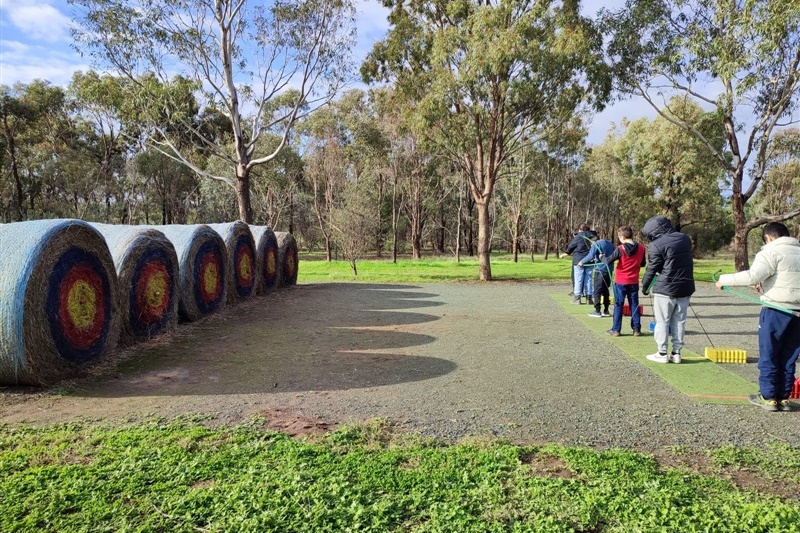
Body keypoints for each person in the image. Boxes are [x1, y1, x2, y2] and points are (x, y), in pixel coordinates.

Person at [715, 222, 800, 412]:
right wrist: (765, 286)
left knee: (770, 354)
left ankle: (769, 397)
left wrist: (724, 280)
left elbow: (753, 276)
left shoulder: (771, 251)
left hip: (775, 311)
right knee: (788, 357)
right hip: (798, 314)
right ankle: (783, 398)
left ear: (769, 238)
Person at [641, 215, 695, 364]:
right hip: (685, 286)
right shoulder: (684, 238)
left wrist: (645, 287)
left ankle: (662, 352)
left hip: (665, 288)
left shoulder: (655, 245)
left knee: (662, 321)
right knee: (679, 321)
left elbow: (652, 269)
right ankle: (676, 353)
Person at [602, 226, 646, 336]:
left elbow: (607, 261)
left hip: (621, 281)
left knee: (618, 305)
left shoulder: (620, 249)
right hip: (633, 281)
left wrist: (601, 257)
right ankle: (636, 329)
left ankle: (616, 330)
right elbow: (643, 263)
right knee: (634, 305)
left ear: (622, 236)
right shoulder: (641, 248)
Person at [578, 234, 615, 317]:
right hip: (609, 270)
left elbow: (590, 255)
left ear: (592, 242)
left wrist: (581, 262)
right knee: (605, 290)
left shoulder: (596, 244)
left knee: (597, 290)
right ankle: (606, 310)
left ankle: (597, 310)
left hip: (600, 270)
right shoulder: (609, 243)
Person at [561, 224, 598, 304]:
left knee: (578, 279)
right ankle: (589, 299)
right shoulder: (594, 236)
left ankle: (577, 298)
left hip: (579, 260)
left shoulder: (579, 236)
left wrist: (565, 253)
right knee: (588, 279)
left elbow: (571, 247)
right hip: (590, 260)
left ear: (580, 230)